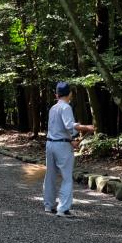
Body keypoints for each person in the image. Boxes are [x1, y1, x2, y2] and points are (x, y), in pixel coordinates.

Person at [43, 81, 94, 217]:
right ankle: (63, 209)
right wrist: (87, 127)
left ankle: (49, 206)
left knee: (50, 176)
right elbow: (69, 125)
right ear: (70, 94)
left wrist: (71, 141)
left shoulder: (53, 108)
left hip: (50, 144)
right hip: (61, 147)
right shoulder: (66, 107)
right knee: (66, 177)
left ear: (56, 94)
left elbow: (58, 128)